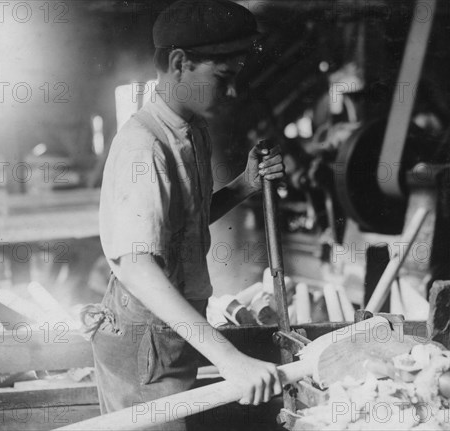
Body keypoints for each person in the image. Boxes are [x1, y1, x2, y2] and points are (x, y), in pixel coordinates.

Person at [83, 0, 285, 429]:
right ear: (179, 63)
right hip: (145, 344)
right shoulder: (145, 146)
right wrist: (232, 360)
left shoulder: (190, 130)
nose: (231, 92)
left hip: (167, 333)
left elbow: (179, 225)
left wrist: (243, 186)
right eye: (223, 77)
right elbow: (136, 266)